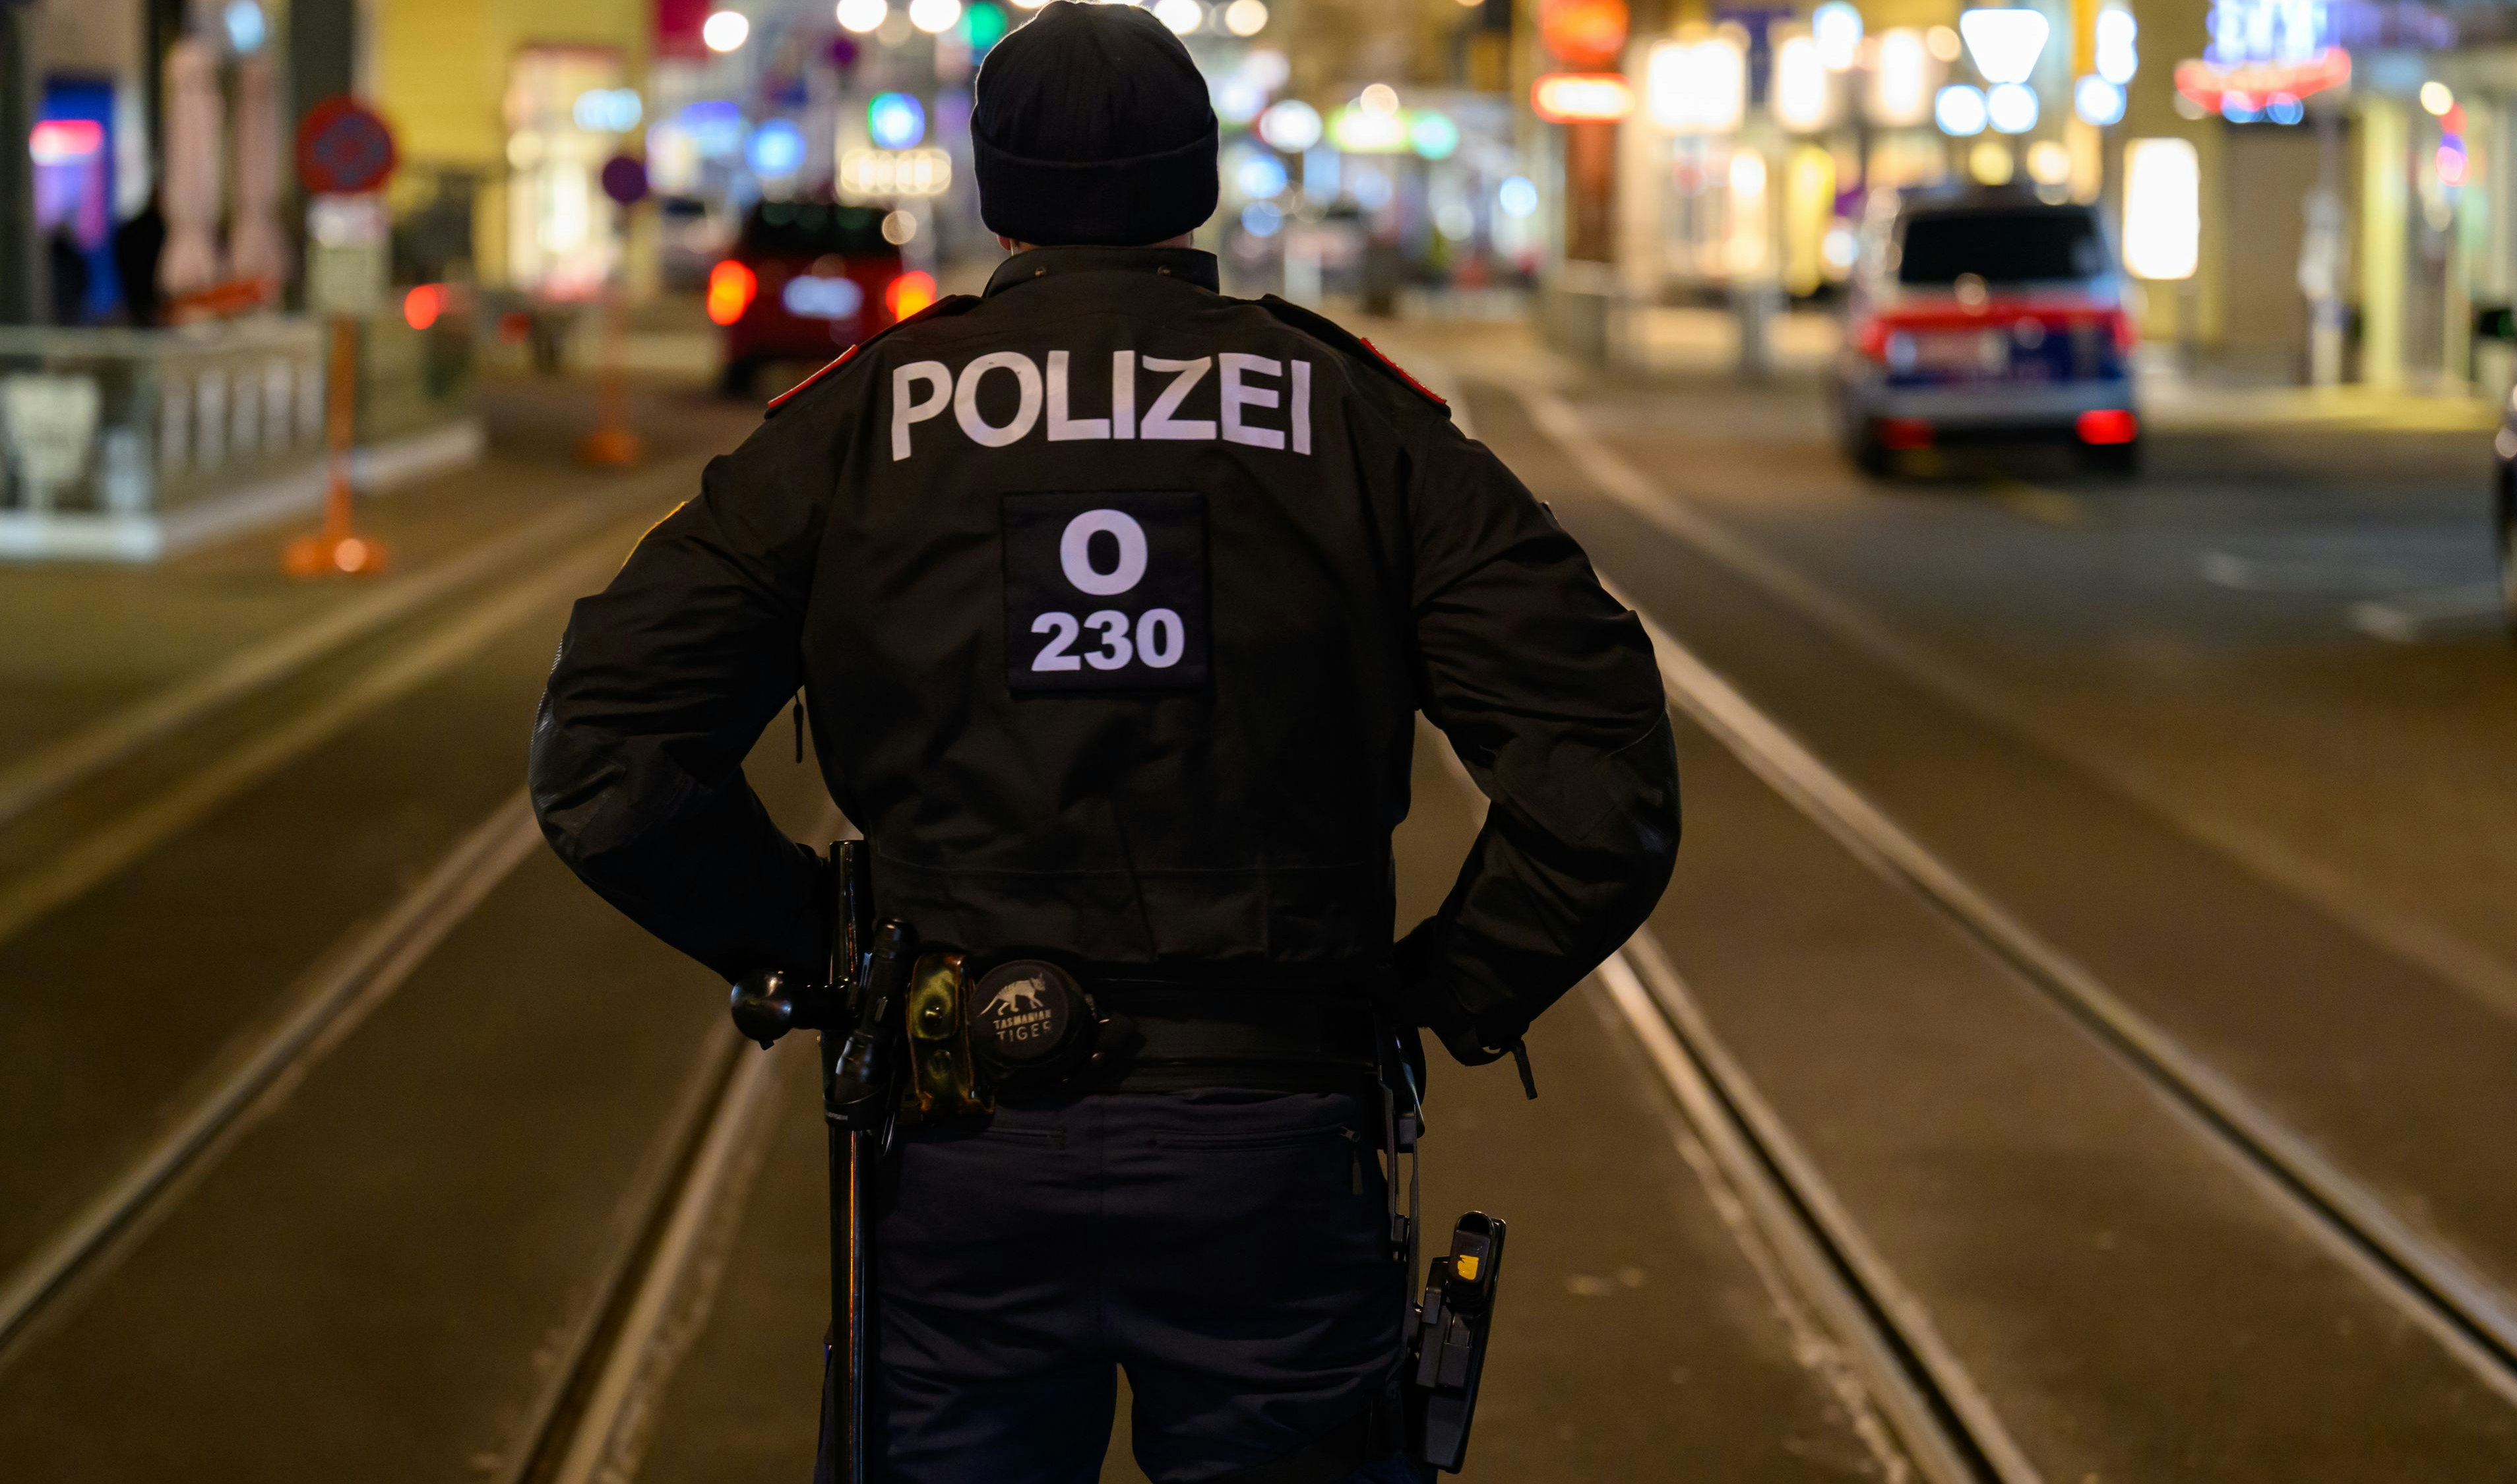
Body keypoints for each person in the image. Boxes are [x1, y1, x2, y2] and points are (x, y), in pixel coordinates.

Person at [527, 4, 1680, 1480]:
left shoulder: (859, 422)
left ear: (994, 186)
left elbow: (604, 750)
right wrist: (1445, 989)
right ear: (1194, 178)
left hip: (961, 1143)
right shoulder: (1353, 418)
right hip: (1271, 1132)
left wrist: (819, 946)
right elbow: (1601, 761)